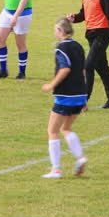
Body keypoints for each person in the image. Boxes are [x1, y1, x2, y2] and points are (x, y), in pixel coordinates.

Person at [40, 18, 88, 178]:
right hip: (80, 94)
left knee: (52, 131)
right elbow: (83, 71)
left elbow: (65, 69)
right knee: (66, 128)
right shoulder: (79, 46)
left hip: (65, 95)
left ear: (61, 31)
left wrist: (51, 84)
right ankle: (80, 157)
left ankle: (56, 169)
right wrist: (85, 96)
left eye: (56, 30)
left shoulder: (61, 48)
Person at [67, 0, 109, 109]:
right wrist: (74, 18)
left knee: (88, 65)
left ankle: (83, 101)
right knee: (103, 69)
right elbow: (83, 14)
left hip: (102, 34)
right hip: (91, 35)